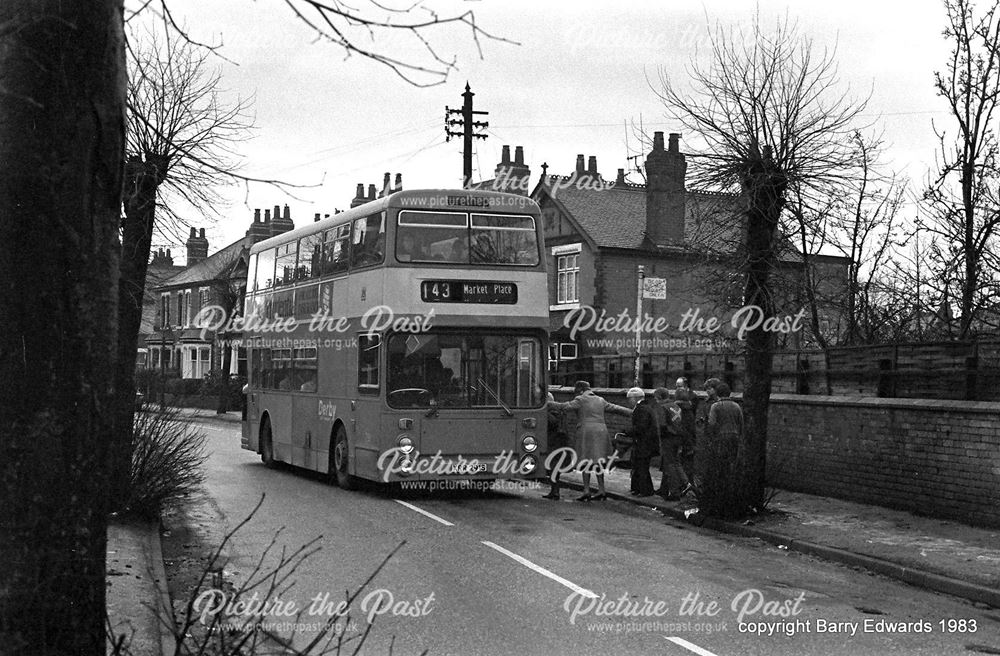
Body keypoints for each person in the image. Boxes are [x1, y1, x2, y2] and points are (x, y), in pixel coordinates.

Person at [547, 380, 632, 501]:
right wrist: (632, 412)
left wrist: (548, 403)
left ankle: (586, 490)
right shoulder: (601, 400)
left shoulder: (580, 400)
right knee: (599, 462)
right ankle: (601, 490)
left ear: (580, 390)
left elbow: (564, 407)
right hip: (601, 432)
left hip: (586, 432)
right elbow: (616, 408)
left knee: (585, 461)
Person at [653, 387, 691, 500]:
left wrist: (660, 437)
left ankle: (674, 492)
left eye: (656, 398)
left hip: (668, 438)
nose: (655, 400)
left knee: (669, 465)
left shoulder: (662, 407)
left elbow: (662, 425)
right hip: (679, 437)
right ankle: (686, 483)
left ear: (659, 397)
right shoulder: (676, 406)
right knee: (677, 462)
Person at [624, 387, 659, 497]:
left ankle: (644, 490)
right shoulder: (646, 407)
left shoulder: (641, 409)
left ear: (635, 398)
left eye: (629, 399)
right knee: (640, 466)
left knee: (641, 466)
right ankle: (640, 489)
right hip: (647, 442)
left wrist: (628, 432)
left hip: (644, 442)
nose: (628, 401)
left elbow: (641, 426)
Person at [693, 377, 722, 492]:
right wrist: (702, 419)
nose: (708, 391)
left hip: (717, 433)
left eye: (710, 389)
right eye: (707, 389)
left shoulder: (719, 402)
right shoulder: (707, 402)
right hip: (708, 433)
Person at [542, 391, 570, 500]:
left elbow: (552, 422)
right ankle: (554, 491)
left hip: (555, 442)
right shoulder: (559, 410)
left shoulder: (553, 411)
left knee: (553, 467)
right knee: (554, 468)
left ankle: (555, 491)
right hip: (560, 441)